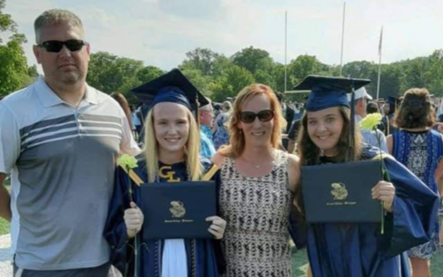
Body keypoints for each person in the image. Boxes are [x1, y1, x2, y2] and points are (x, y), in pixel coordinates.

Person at [0, 9, 139, 276]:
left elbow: (133, 170)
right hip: (41, 264)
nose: (65, 54)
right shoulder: (12, 110)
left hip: (106, 258)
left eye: (73, 44)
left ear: (87, 50)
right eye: (53, 46)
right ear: (37, 53)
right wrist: (25, 222)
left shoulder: (110, 108)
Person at [294, 75, 439, 277]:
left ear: (345, 120)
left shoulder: (374, 161)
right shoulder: (310, 169)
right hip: (329, 264)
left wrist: (392, 204)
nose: (321, 129)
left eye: (330, 119)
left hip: (374, 264)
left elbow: (423, 204)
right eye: (313, 121)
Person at [105, 69, 226, 277]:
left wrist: (220, 229)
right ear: (151, 125)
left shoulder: (208, 173)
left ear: (191, 125)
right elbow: (111, 231)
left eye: (180, 122)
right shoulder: (132, 173)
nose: (172, 131)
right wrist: (127, 229)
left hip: (198, 267)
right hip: (148, 268)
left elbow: (220, 228)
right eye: (163, 122)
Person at [211, 84, 300, 277]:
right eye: (248, 117)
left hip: (276, 272)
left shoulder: (292, 167)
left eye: (264, 115)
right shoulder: (219, 163)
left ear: (275, 119)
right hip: (229, 272)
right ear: (238, 122)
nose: (257, 124)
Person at [387, 88, 443, 277]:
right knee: (421, 263)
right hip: (426, 206)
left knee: (395, 261)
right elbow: (440, 172)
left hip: (399, 207)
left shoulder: (391, 141)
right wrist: (429, 186)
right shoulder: (440, 140)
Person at [349, 87, 388, 152]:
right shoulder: (376, 135)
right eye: (366, 101)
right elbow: (383, 161)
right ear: (361, 102)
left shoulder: (335, 132)